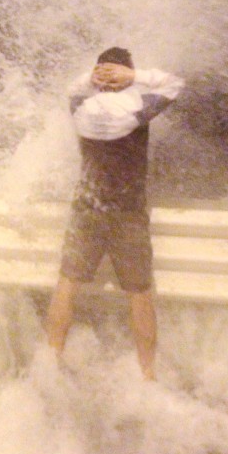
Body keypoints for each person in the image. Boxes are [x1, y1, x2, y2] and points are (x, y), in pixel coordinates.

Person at [45, 47, 184, 380]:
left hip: (87, 209)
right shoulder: (136, 109)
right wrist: (135, 78)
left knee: (66, 286)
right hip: (127, 215)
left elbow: (72, 89)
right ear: (126, 74)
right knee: (140, 295)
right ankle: (147, 375)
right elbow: (175, 84)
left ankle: (49, 366)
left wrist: (92, 77)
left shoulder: (82, 107)